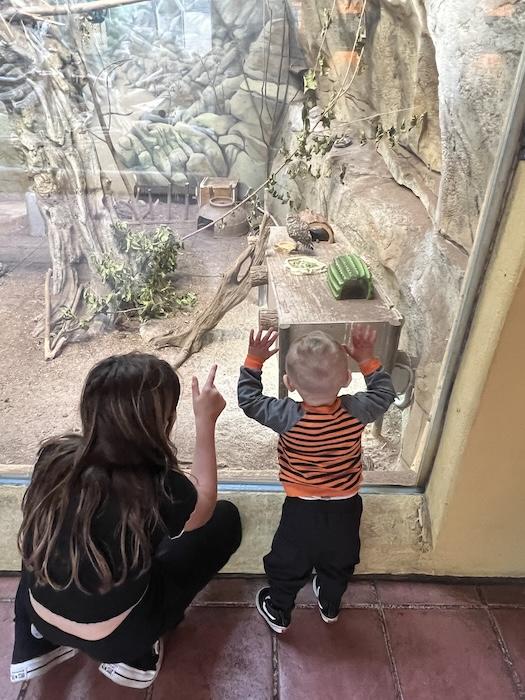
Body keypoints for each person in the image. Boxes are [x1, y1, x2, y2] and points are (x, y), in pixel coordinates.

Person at [11, 353, 241, 689]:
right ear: (165, 421)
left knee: (51, 534)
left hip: (40, 615)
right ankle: (136, 657)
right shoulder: (159, 486)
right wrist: (205, 421)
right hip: (118, 639)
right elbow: (203, 507)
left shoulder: (54, 457)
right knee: (224, 520)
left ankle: (32, 643)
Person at [238, 326, 395, 632]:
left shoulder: (285, 415)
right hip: (347, 506)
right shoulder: (355, 410)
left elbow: (249, 401)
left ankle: (279, 609)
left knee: (288, 563)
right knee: (339, 560)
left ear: (290, 384)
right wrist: (367, 360)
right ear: (346, 379)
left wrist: (254, 361)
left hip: (301, 509)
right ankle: (330, 603)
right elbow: (384, 394)